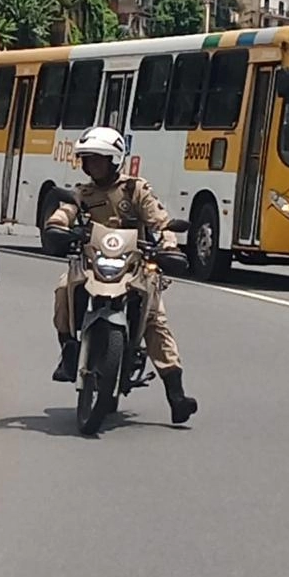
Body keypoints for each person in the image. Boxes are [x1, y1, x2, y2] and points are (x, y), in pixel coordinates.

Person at [45, 126, 198, 425]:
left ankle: (176, 396)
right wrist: (56, 226)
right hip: (93, 263)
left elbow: (160, 223)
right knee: (64, 287)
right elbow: (64, 213)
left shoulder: (135, 190)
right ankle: (67, 351)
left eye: (99, 160)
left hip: (133, 264)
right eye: (89, 160)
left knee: (155, 318)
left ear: (114, 161)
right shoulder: (82, 192)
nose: (93, 165)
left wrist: (169, 247)